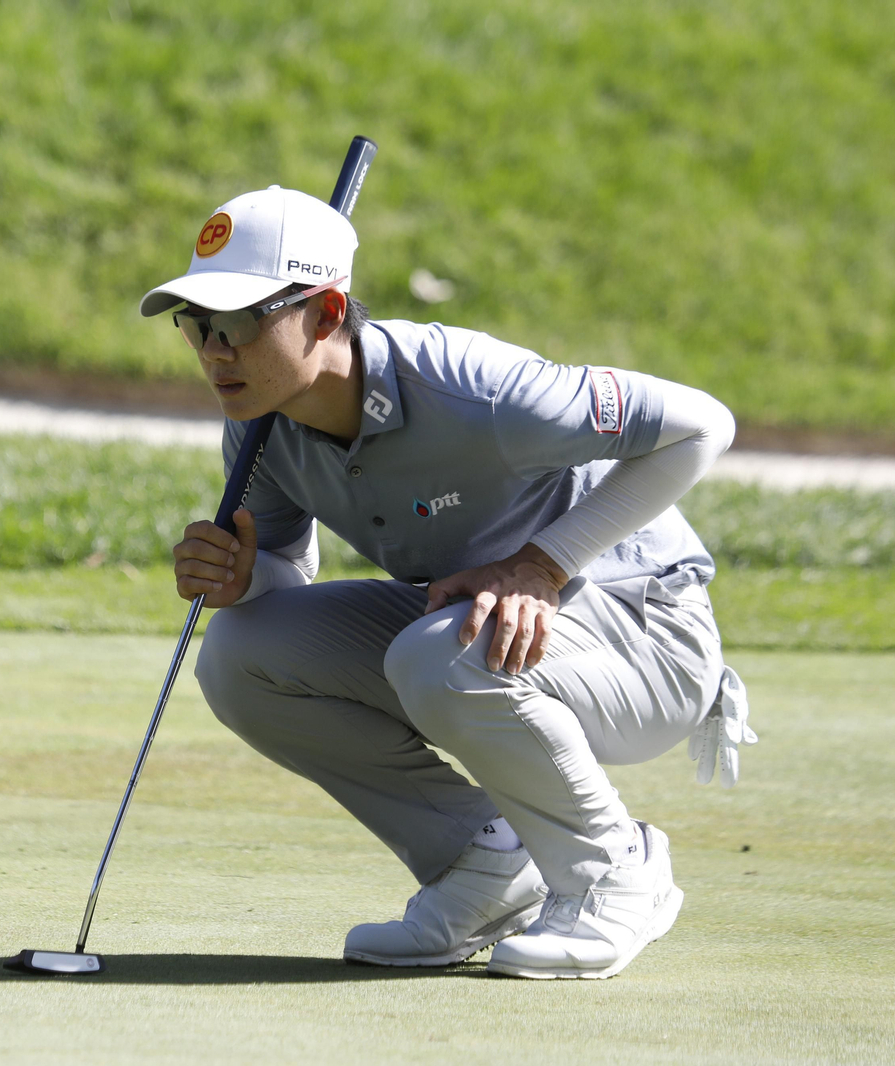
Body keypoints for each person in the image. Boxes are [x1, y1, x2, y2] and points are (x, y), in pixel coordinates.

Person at [142, 184, 754, 979]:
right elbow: (287, 576)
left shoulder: (479, 390)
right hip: (486, 635)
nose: (214, 353)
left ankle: (616, 872)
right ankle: (485, 864)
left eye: (238, 324)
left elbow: (703, 424)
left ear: (327, 314)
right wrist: (242, 579)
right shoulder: (261, 424)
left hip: (649, 637)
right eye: (197, 325)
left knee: (438, 654)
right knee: (240, 654)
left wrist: (543, 564)